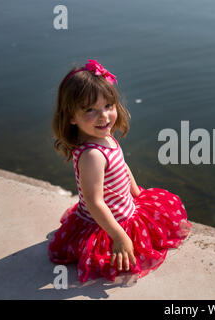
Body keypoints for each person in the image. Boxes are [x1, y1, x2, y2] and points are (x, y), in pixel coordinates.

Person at [48, 59, 191, 283]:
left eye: (108, 106)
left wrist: (136, 192)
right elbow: (95, 202)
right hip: (106, 224)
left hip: (125, 207)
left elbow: (122, 166)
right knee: (124, 257)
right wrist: (119, 236)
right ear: (71, 117)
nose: (104, 116)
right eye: (90, 110)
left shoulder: (105, 136)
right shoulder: (92, 156)